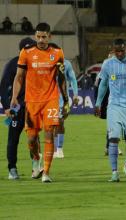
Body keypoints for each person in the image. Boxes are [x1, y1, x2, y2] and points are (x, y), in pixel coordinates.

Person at [10, 23, 69, 183]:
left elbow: (61, 78)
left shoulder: (57, 52)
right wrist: (14, 97)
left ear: (50, 36)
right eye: (38, 36)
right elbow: (19, 76)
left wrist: (65, 101)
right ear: (35, 36)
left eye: (44, 37)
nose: (41, 40)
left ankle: (46, 173)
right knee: (31, 139)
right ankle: (36, 159)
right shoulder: (27, 52)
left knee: (49, 135)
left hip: (50, 99)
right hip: (32, 101)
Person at [95, 38, 126, 182]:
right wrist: (98, 103)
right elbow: (103, 84)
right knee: (114, 138)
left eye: (122, 51)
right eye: (117, 51)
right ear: (113, 51)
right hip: (114, 106)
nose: (119, 53)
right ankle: (114, 172)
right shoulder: (108, 64)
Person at [0, 37, 36, 180]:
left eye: (31, 48)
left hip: (33, 107)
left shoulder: (36, 63)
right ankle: (12, 168)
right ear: (21, 50)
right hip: (17, 108)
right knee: (13, 139)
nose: (29, 51)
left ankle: (35, 166)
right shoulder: (13, 64)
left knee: (33, 138)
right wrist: (7, 107)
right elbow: (3, 87)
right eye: (26, 49)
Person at [53, 59, 79, 158]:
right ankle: (55, 150)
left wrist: (76, 95)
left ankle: (59, 149)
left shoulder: (66, 64)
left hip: (63, 101)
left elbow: (72, 79)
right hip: (49, 100)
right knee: (52, 126)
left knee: (60, 123)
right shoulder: (46, 62)